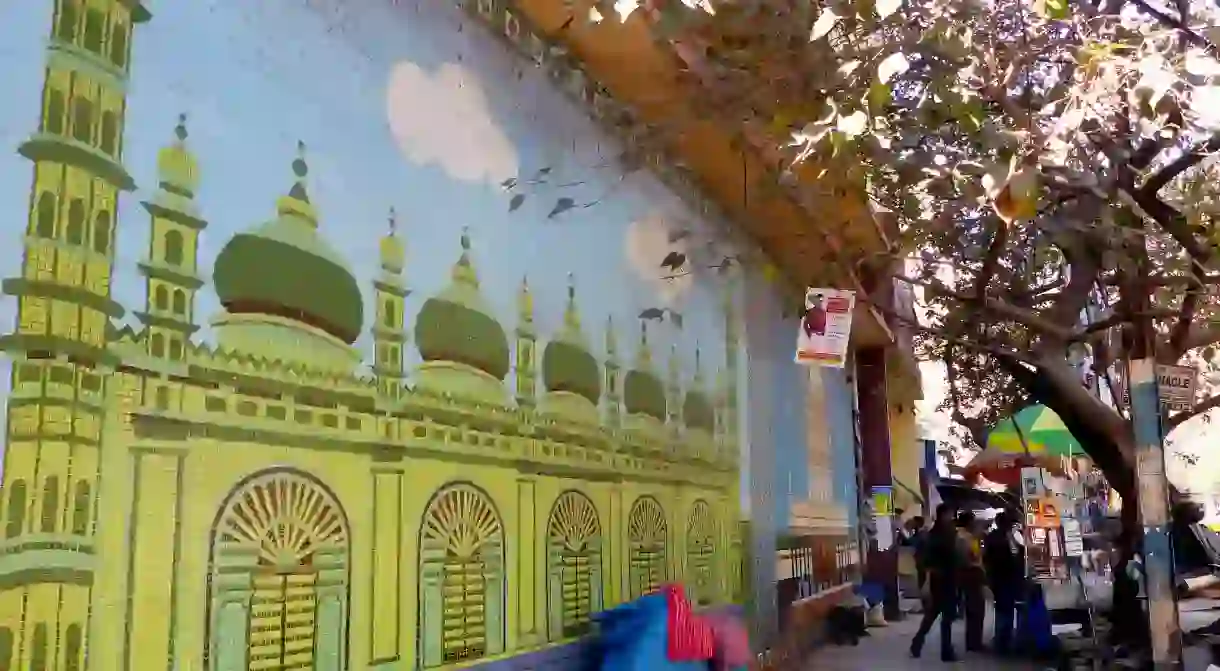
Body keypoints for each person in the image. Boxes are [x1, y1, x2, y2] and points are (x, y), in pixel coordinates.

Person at [910, 504, 962, 661]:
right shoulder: (942, 535)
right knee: (945, 616)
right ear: (943, 515)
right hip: (944, 579)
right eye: (949, 514)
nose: (951, 518)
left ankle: (918, 642)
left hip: (943, 578)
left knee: (934, 614)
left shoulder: (938, 533)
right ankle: (945, 650)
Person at [984, 510, 1025, 655]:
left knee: (1008, 611)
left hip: (1008, 579)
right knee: (1007, 611)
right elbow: (988, 560)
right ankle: (1004, 643)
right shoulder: (998, 538)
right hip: (1005, 579)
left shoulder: (1015, 537)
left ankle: (1009, 642)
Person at [956, 510, 987, 652]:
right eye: (973, 521)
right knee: (976, 609)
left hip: (968, 575)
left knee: (974, 609)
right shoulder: (965, 538)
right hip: (971, 575)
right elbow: (972, 557)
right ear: (968, 522)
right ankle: (974, 642)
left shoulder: (964, 536)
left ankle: (973, 641)